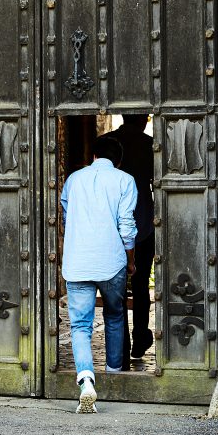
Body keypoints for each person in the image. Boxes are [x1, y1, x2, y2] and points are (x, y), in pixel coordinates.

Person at [61, 136, 137, 413]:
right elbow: (126, 226)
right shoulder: (125, 180)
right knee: (115, 315)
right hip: (111, 262)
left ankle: (86, 381)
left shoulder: (73, 180)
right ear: (118, 160)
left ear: (92, 155)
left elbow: (68, 217)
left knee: (80, 325)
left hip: (77, 262)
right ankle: (113, 375)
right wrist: (130, 260)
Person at [104, 115, 155, 362]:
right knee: (141, 285)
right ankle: (140, 339)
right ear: (144, 120)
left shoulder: (105, 142)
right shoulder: (150, 145)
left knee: (115, 289)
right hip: (143, 223)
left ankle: (120, 348)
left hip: (110, 228)